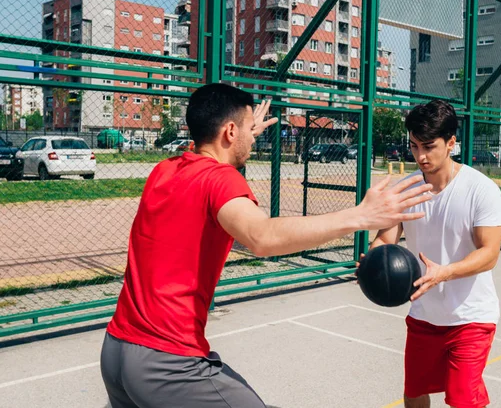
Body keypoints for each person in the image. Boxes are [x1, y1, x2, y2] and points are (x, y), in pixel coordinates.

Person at [100, 82, 433, 408]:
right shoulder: (221, 179)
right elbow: (261, 237)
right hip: (167, 363)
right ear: (230, 132)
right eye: (247, 128)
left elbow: (210, 160)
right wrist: (360, 216)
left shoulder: (165, 171)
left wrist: (240, 136)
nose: (253, 134)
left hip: (116, 351)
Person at [366, 99, 501, 408]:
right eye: (414, 146)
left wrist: (444, 271)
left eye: (429, 146)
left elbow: (490, 253)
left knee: (462, 400)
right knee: (414, 392)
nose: (420, 155)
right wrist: (372, 261)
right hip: (424, 315)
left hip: (471, 317)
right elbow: (385, 238)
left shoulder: (481, 190)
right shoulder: (408, 189)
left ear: (451, 143)